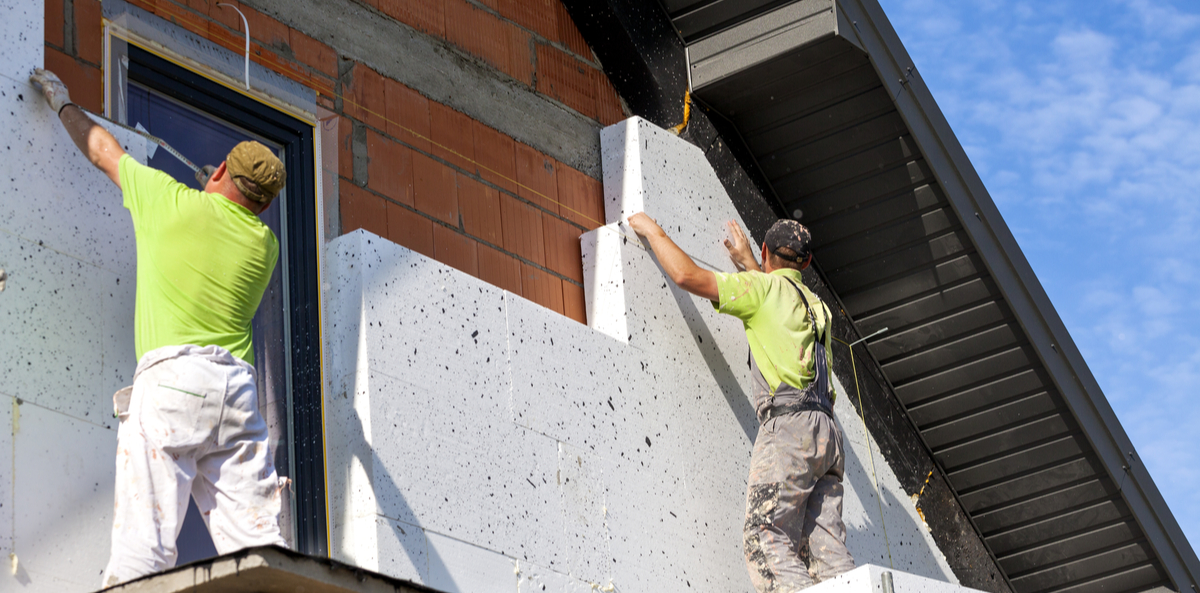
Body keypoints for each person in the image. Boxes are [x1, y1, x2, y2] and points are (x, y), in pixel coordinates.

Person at [28, 69, 289, 587]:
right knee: (260, 548)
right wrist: (213, 193)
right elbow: (227, 217)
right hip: (235, 396)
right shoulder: (266, 246)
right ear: (265, 204)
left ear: (219, 177)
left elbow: (103, 150)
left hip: (173, 385)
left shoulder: (166, 202)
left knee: (143, 549)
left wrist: (62, 103)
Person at [627, 212, 854, 592]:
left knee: (765, 536)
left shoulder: (762, 291)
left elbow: (687, 277)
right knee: (826, 550)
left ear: (765, 251)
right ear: (807, 263)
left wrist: (654, 231)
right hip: (827, 436)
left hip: (790, 432)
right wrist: (753, 264)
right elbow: (780, 300)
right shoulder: (816, 305)